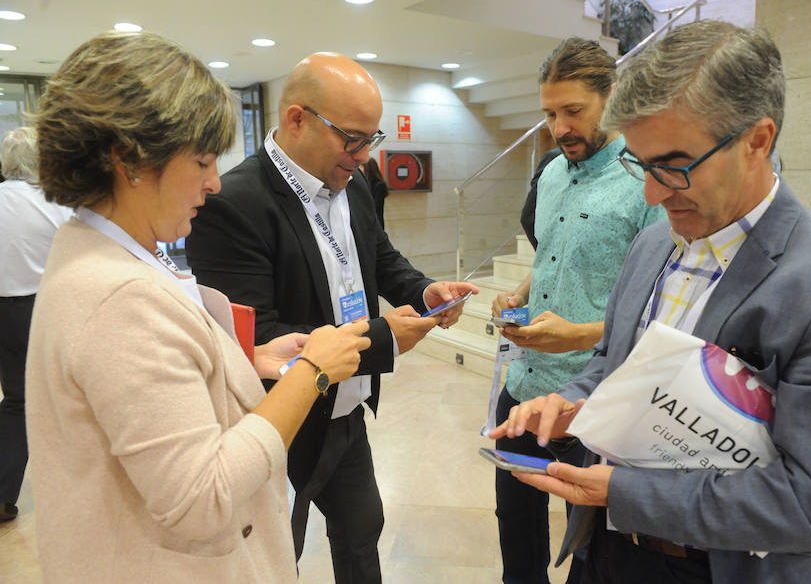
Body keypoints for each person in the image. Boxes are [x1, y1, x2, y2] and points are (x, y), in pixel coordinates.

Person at [491, 20, 811, 584]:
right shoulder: (654, 242)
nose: (651, 194)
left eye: (674, 166)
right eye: (640, 163)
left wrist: (626, 492)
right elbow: (613, 361)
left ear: (757, 141)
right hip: (608, 553)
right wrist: (571, 401)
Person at [26, 31, 371, 584]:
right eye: (203, 160)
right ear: (127, 158)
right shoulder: (120, 296)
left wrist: (247, 359)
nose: (213, 183)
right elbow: (200, 498)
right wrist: (311, 372)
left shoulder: (97, 250)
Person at [185, 52, 478, 583]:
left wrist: (421, 288)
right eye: (352, 138)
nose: (364, 155)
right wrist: (383, 341)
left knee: (361, 527)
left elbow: (377, 256)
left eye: (372, 139)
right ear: (297, 119)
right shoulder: (234, 202)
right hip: (277, 419)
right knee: (275, 552)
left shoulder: (354, 181)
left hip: (345, 406)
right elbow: (254, 338)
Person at [490, 37, 666, 584]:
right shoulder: (550, 173)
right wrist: (521, 292)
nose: (559, 127)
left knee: (586, 550)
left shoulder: (647, 184)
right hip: (521, 392)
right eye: (549, 113)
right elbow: (548, 256)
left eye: (573, 111)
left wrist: (582, 335)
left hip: (593, 406)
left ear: (611, 98)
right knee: (517, 540)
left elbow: (660, 312)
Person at [0, 126, 72, 522]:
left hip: (4, 311)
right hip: (45, 310)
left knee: (17, 402)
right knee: (66, 400)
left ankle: (2, 492)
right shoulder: (57, 203)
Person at [362, 157, 388, 228]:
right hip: (367, 222)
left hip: (376, 223)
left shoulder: (380, 185)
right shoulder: (367, 183)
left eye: (363, 167)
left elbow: (375, 206)